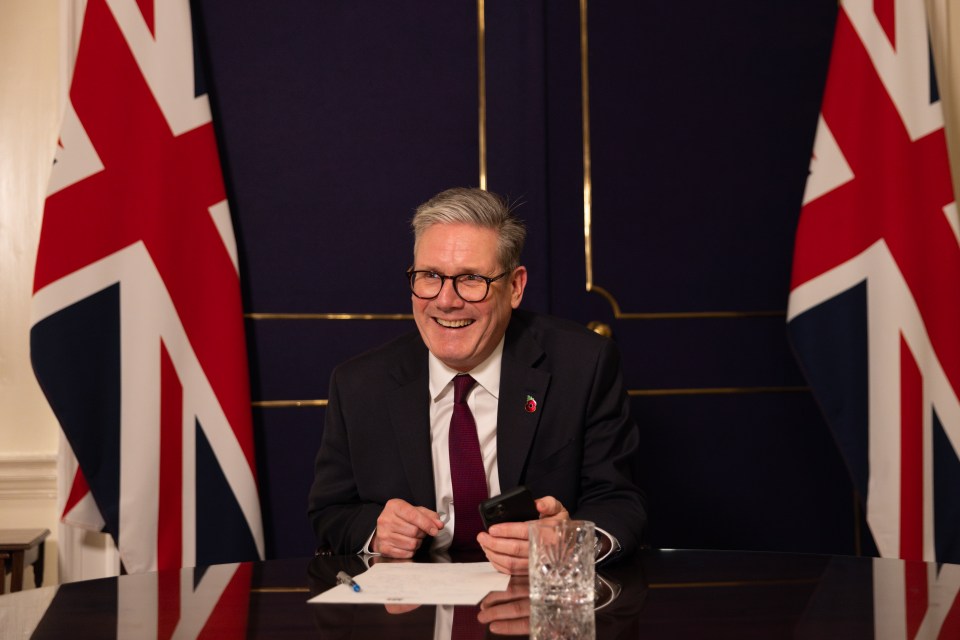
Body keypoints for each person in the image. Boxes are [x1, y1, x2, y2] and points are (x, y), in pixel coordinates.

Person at [307, 187, 645, 574]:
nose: (446, 301)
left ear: (515, 287)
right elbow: (331, 511)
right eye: (429, 276)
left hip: (539, 601)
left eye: (470, 279)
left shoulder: (583, 365)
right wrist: (375, 532)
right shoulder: (359, 384)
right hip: (411, 611)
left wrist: (574, 543)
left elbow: (619, 502)